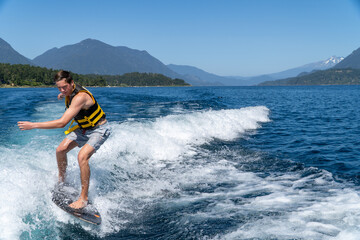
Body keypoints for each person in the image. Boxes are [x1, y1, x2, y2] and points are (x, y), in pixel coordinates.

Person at [18, 70, 110, 209]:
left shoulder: (80, 97)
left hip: (99, 130)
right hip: (83, 129)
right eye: (59, 88)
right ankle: (62, 182)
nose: (62, 90)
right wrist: (64, 93)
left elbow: (62, 123)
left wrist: (33, 125)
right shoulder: (70, 90)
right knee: (60, 150)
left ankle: (83, 199)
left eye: (64, 87)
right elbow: (69, 94)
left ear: (72, 83)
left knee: (82, 157)